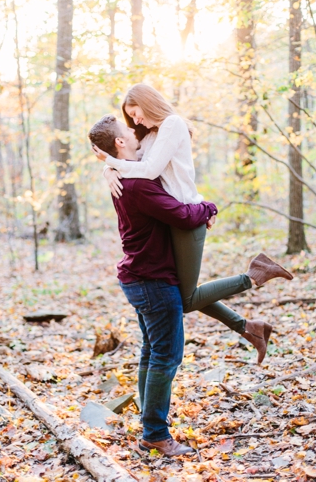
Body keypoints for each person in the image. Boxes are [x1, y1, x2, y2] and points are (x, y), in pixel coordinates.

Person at [92, 84, 293, 364]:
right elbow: (132, 160)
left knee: (185, 300)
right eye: (131, 117)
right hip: (173, 218)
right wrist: (107, 169)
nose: (135, 121)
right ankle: (250, 329)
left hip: (188, 216)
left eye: (136, 113)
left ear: (148, 103)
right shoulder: (149, 134)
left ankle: (255, 275)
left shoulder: (172, 125)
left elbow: (148, 171)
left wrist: (111, 162)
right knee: (183, 296)